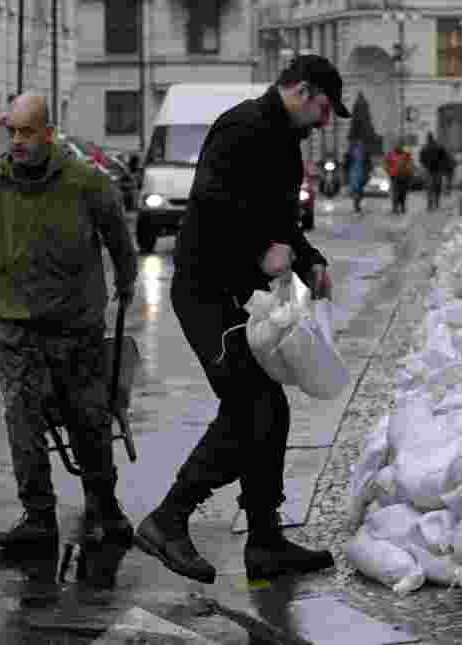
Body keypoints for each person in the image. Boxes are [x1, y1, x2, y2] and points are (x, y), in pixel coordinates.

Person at [133, 55, 350, 585]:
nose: (327, 121)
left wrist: (309, 259)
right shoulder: (243, 126)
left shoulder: (284, 144)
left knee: (268, 410)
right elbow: (212, 200)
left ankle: (265, 540)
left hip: (237, 297)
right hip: (206, 293)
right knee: (251, 408)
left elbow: (281, 224)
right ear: (300, 90)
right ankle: (168, 519)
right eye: (324, 108)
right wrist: (258, 252)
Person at [0, 93, 139, 548]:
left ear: (48, 133)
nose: (18, 141)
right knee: (22, 422)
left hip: (76, 326)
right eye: (13, 132)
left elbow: (119, 238)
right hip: (18, 328)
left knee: (89, 419)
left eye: (27, 132)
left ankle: (106, 507)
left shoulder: (86, 182)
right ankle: (39, 516)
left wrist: (126, 281)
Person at [418, 133, 450, 211]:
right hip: (438, 170)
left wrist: (425, 165)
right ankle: (437, 202)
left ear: (428, 139)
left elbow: (421, 159)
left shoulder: (425, 148)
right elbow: (445, 158)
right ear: (433, 138)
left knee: (429, 187)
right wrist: (443, 167)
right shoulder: (439, 147)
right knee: (437, 186)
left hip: (429, 170)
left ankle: (430, 204)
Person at [383, 140, 414, 215]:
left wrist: (409, 172)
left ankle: (402, 206)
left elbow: (410, 164)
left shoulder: (406, 154)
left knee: (403, 193)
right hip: (394, 176)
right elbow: (386, 164)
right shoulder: (390, 155)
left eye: (399, 145)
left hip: (404, 176)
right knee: (395, 193)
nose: (398, 147)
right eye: (396, 145)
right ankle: (395, 207)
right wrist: (390, 171)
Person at [347, 138, 371, 214]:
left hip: (360, 173)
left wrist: (368, 170)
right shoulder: (351, 153)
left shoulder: (364, 153)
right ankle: (356, 204)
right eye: (359, 144)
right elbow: (347, 162)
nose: (360, 146)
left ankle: (357, 203)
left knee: (358, 189)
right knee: (357, 189)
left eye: (361, 145)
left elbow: (368, 163)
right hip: (355, 172)